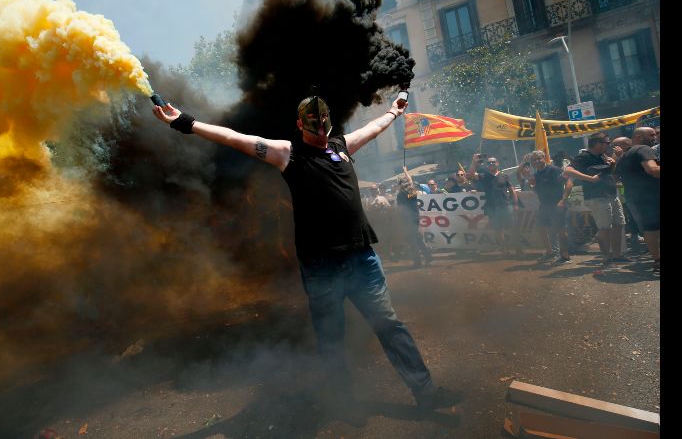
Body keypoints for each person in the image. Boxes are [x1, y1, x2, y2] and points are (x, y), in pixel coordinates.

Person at [151, 92, 461, 410]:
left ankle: (426, 393)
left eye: (324, 125)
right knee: (331, 337)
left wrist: (394, 113)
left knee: (389, 324)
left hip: (361, 258)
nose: (321, 131)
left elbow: (375, 128)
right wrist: (184, 122)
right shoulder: (288, 153)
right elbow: (235, 138)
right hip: (321, 265)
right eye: (314, 127)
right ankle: (345, 401)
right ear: (300, 125)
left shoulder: (342, 145)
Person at [564, 132, 627, 267]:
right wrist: (590, 179)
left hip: (611, 194)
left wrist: (614, 161)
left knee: (619, 224)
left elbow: (608, 173)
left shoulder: (602, 156)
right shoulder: (583, 156)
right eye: (607, 143)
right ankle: (606, 258)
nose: (609, 145)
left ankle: (617, 255)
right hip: (597, 197)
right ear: (597, 143)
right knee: (605, 228)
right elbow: (567, 171)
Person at [615, 127, 660, 274]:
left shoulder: (623, 157)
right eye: (651, 134)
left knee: (649, 229)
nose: (654, 137)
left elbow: (617, 178)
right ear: (639, 137)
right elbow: (652, 170)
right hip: (653, 195)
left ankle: (657, 261)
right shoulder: (643, 149)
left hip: (635, 199)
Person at [467, 154, 522, 256]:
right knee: (498, 229)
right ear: (487, 165)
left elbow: (512, 191)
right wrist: (474, 161)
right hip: (492, 207)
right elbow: (470, 175)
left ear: (497, 163)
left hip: (506, 205)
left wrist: (515, 204)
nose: (491, 164)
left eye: (493, 162)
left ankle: (518, 249)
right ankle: (504, 250)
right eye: (489, 163)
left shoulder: (504, 176)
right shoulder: (484, 176)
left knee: (513, 228)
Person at [528, 150, 573, 264]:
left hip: (557, 204)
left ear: (544, 158)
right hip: (544, 205)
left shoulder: (554, 170)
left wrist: (563, 200)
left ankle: (565, 256)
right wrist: (532, 186)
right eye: (534, 160)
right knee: (540, 228)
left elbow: (569, 182)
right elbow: (537, 191)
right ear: (532, 163)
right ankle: (550, 252)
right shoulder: (536, 174)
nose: (537, 161)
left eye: (539, 158)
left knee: (560, 230)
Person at [398, 166, 433, 266]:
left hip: (409, 220)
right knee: (417, 238)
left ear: (400, 185)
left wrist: (405, 172)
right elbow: (410, 182)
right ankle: (427, 255)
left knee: (412, 240)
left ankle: (418, 260)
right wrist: (405, 171)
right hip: (415, 218)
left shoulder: (401, 194)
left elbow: (400, 208)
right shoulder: (411, 192)